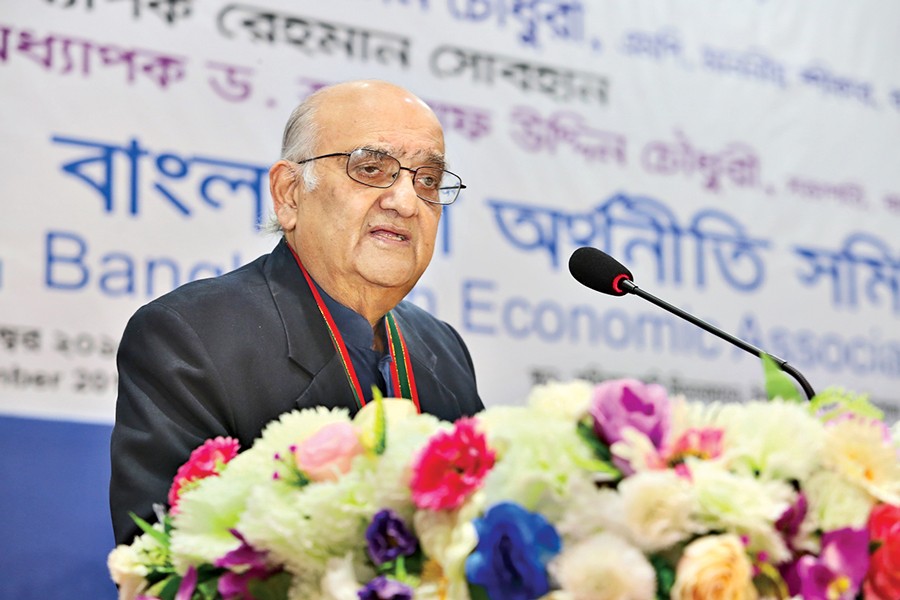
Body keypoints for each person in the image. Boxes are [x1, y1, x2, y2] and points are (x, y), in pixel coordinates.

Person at [109, 80, 484, 545]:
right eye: (371, 169)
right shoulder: (191, 337)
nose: (406, 202)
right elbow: (164, 559)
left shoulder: (442, 349)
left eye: (427, 180)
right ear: (289, 193)